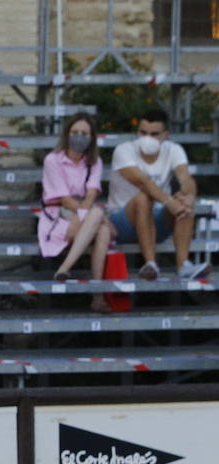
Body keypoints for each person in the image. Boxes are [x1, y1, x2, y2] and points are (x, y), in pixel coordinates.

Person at [106, 108, 209, 281]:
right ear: (137, 132)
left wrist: (189, 196)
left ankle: (183, 265)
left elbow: (185, 178)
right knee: (143, 197)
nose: (147, 138)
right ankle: (150, 264)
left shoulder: (173, 149)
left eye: (154, 134)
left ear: (166, 135)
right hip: (122, 221)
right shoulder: (123, 150)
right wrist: (170, 202)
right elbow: (142, 182)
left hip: (157, 220)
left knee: (183, 200)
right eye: (143, 132)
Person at [38, 114, 115, 313]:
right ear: (67, 134)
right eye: (75, 132)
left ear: (91, 137)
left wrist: (80, 219)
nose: (79, 137)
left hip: (83, 214)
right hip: (58, 214)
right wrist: (82, 217)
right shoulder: (52, 160)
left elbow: (91, 195)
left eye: (84, 133)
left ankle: (70, 272)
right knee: (100, 220)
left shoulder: (94, 162)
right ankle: (92, 292)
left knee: (101, 225)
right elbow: (64, 198)